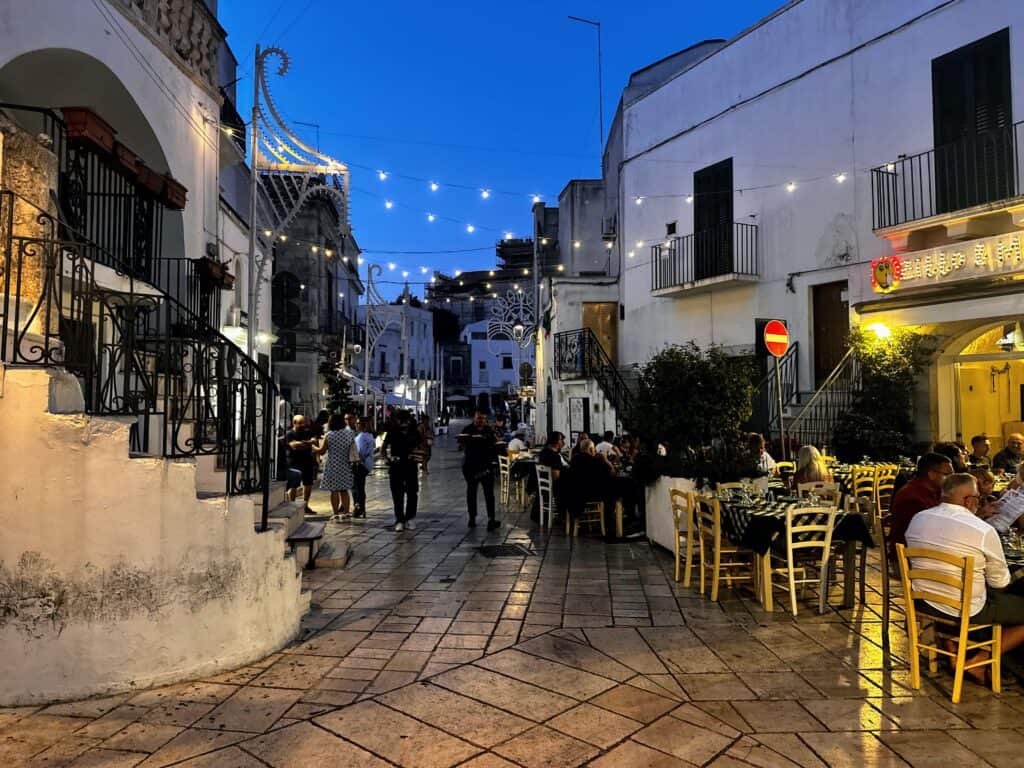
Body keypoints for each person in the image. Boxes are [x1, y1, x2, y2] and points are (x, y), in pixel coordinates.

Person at [905, 473, 1024, 682]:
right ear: (969, 500)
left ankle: (955, 649)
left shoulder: (918, 518)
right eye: (977, 498)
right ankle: (979, 660)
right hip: (965, 608)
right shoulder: (983, 530)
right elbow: (1000, 582)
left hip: (924, 600)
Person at [889, 452, 954, 548]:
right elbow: (932, 529)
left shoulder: (934, 490)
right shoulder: (912, 497)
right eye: (948, 475)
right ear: (932, 474)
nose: (951, 480)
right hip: (910, 553)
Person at [458, 409, 500, 530]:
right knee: (471, 492)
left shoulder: (489, 430)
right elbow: (461, 444)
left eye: (483, 419)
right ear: (474, 418)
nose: (481, 421)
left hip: (486, 465)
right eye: (478, 418)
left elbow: (494, 443)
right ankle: (472, 517)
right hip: (471, 466)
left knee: (489, 493)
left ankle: (491, 518)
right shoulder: (468, 430)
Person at [565, 439, 615, 539]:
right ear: (592, 449)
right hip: (588, 494)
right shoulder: (595, 461)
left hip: (574, 494)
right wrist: (605, 460)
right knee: (611, 493)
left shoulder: (574, 459)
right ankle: (609, 523)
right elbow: (612, 473)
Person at [313, 414, 355, 521]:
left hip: (333, 464)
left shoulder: (329, 435)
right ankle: (346, 512)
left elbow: (322, 451)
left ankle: (336, 513)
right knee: (344, 490)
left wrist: (313, 446)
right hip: (346, 464)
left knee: (334, 490)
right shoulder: (350, 433)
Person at [382, 411, 420, 531]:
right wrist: (386, 459)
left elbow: (422, 446)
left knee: (412, 493)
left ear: (410, 421)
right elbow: (383, 447)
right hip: (396, 466)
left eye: (406, 420)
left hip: (411, 465)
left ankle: (410, 518)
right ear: (397, 421)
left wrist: (421, 457)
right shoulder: (392, 432)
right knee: (397, 494)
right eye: (401, 420)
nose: (403, 422)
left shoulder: (415, 432)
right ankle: (399, 519)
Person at [284, 415, 318, 514]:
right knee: (293, 484)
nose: (303, 425)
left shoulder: (308, 432)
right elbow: (294, 446)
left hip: (307, 461)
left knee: (308, 484)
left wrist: (302, 443)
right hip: (294, 461)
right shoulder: (289, 434)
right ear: (294, 423)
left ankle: (305, 505)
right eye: (300, 423)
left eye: (303, 423)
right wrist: (308, 443)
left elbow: (314, 442)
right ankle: (292, 505)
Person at [352, 417, 375, 518]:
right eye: (356, 423)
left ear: (363, 425)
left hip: (360, 464)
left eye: (359, 424)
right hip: (367, 464)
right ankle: (362, 508)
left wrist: (356, 460)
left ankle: (358, 506)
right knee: (360, 486)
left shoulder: (361, 437)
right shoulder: (369, 436)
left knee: (356, 486)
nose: (356, 425)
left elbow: (361, 452)